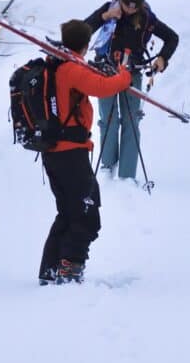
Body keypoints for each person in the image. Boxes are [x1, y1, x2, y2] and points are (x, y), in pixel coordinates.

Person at [39, 20, 132, 285]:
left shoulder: (55, 62)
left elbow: (90, 81)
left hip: (55, 152)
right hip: (70, 153)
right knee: (87, 213)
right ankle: (70, 269)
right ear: (86, 45)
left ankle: (50, 269)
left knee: (68, 212)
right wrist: (124, 76)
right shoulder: (70, 68)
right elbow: (102, 88)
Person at [84, 0, 179, 180]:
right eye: (126, 5)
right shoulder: (110, 8)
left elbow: (172, 37)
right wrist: (106, 16)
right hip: (105, 71)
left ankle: (127, 174)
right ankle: (107, 165)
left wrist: (163, 58)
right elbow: (84, 29)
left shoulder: (146, 18)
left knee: (131, 121)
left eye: (134, 7)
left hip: (132, 73)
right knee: (107, 118)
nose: (129, 10)